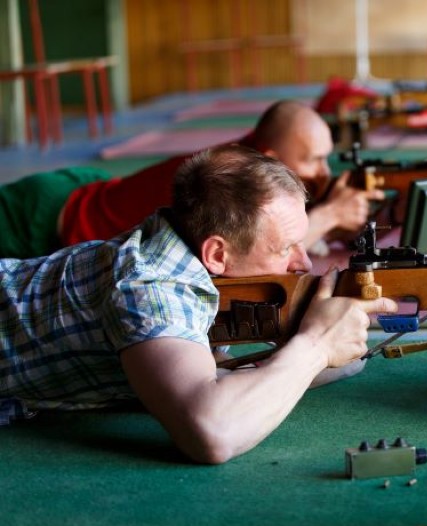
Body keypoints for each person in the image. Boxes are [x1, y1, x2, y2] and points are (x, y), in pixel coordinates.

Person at [0, 145, 398, 464]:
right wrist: (316, 346)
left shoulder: (179, 245)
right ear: (218, 255)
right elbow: (212, 434)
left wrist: (321, 344)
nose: (305, 263)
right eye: (285, 248)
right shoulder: (151, 287)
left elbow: (229, 373)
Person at [0, 99, 384, 259]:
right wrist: (330, 216)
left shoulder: (255, 164)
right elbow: (256, 258)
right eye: (314, 160)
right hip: (45, 216)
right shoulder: (230, 181)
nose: (324, 172)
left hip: (98, 188)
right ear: (272, 159)